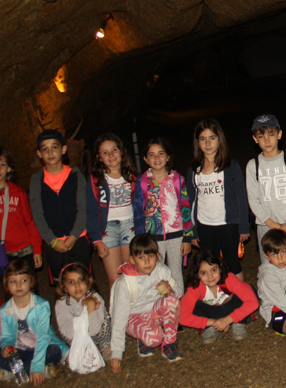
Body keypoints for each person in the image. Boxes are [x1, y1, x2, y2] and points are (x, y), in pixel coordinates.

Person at [188, 118, 251, 280]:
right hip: (205, 226)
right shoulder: (194, 170)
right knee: (211, 265)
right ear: (197, 142)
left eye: (212, 138)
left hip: (227, 224)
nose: (208, 143)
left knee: (232, 263)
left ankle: (239, 300)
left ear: (219, 140)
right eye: (203, 139)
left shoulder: (230, 165)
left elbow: (241, 197)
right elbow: (191, 202)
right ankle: (217, 300)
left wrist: (244, 226)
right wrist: (192, 230)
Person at [109, 234, 183, 370]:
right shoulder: (125, 283)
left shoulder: (161, 270)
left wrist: (170, 289)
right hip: (134, 316)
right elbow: (119, 317)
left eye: (151, 256)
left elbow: (179, 292)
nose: (147, 262)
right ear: (132, 259)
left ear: (157, 256)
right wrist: (116, 352)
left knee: (171, 300)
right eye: (141, 258)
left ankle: (170, 343)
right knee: (154, 339)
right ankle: (143, 338)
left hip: (154, 312)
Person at [28, 129, 91, 286]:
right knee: (61, 286)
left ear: (63, 149)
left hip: (78, 240)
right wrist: (52, 241)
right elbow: (38, 215)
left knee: (84, 283)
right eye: (45, 149)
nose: (50, 152)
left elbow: (83, 209)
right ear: (39, 153)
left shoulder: (76, 176)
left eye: (54, 147)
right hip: (54, 244)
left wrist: (74, 236)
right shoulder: (36, 181)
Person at [0, 257, 68, 384]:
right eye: (12, 281)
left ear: (31, 281)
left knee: (54, 351)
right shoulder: (4, 310)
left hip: (43, 347)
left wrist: (36, 365)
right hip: (21, 350)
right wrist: (7, 346)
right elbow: (6, 336)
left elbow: (43, 337)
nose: (18, 285)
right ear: (6, 284)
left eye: (23, 280)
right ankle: (42, 368)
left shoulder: (41, 305)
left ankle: (17, 369)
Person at [133, 137, 194, 291]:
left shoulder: (177, 180)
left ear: (168, 157)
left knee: (175, 273)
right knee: (154, 273)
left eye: (161, 153)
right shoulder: (143, 181)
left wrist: (187, 237)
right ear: (146, 159)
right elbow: (139, 212)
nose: (157, 158)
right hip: (153, 238)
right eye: (151, 155)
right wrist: (140, 240)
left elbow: (185, 209)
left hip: (176, 235)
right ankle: (158, 307)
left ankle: (178, 305)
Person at [246, 114, 286, 270]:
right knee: (270, 268)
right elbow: (253, 200)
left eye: (271, 134)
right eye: (261, 136)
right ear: (255, 139)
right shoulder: (253, 165)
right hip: (266, 226)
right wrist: (270, 223)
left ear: (279, 134)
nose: (267, 140)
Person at [0, 146, 41, 276]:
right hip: (2, 251)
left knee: (30, 287)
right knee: (10, 289)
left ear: (9, 168)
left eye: (2, 165)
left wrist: (37, 249)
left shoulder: (18, 192)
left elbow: (29, 221)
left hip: (25, 249)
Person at [87, 133, 138, 290]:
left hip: (129, 226)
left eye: (114, 150)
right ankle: (117, 313)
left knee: (131, 274)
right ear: (99, 157)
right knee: (115, 279)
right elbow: (91, 211)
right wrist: (96, 240)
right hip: (108, 229)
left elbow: (140, 206)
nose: (111, 155)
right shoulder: (96, 180)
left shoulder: (132, 177)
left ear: (121, 151)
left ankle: (135, 313)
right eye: (105, 152)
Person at [178, 247, 259, 344]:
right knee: (191, 304)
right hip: (210, 314)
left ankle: (239, 322)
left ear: (220, 268)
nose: (210, 276)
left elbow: (253, 302)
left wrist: (228, 319)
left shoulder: (229, 279)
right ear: (197, 274)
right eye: (203, 273)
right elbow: (183, 317)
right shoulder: (195, 287)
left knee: (248, 292)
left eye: (213, 270)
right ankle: (209, 327)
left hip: (231, 308)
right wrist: (211, 322)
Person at [53, 262, 112, 366]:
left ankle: (105, 345)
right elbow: (68, 332)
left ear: (88, 282)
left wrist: (91, 307)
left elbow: (94, 330)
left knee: (106, 322)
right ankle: (82, 348)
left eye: (81, 280)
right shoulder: (61, 304)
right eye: (71, 282)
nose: (77, 285)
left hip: (96, 332)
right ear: (64, 287)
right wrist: (81, 324)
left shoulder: (95, 298)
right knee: (64, 331)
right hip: (77, 336)